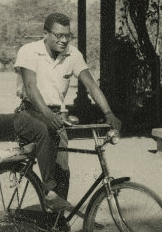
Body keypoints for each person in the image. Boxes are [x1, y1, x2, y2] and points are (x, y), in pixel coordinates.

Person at [13, 12, 121, 212]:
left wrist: (108, 113)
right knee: (44, 131)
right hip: (28, 113)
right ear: (46, 33)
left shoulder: (72, 54)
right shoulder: (29, 51)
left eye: (67, 35)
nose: (63, 40)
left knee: (62, 169)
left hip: (55, 116)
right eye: (58, 35)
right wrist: (47, 116)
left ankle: (56, 224)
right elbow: (30, 87)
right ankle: (48, 192)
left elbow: (90, 84)